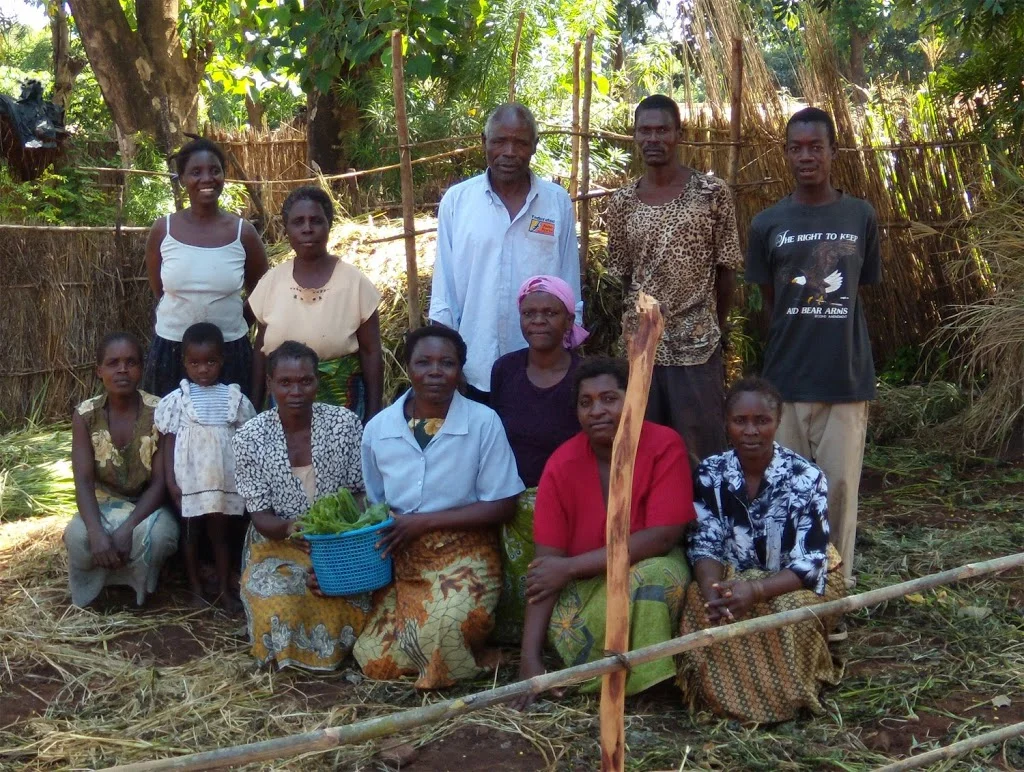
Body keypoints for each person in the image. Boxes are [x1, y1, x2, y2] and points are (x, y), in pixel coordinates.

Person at [746, 106, 881, 585]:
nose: (806, 157)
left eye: (815, 147)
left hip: (845, 379)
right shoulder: (767, 223)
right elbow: (771, 301)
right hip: (785, 383)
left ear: (832, 152)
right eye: (796, 148)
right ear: (785, 154)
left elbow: (858, 290)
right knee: (786, 497)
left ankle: (834, 603)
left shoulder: (860, 215)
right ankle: (792, 605)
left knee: (839, 496)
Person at [514, 357, 695, 709]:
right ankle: (609, 679)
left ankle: (648, 688)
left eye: (609, 398)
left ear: (633, 400)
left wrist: (568, 567)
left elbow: (662, 538)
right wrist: (529, 659)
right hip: (586, 588)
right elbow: (546, 570)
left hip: (647, 569)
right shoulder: (561, 465)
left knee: (654, 575)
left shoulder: (664, 446)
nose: (597, 410)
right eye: (586, 402)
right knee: (570, 622)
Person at [354, 326, 525, 689]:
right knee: (375, 658)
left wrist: (425, 522)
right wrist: (406, 529)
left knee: (444, 629)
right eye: (424, 362)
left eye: (447, 363)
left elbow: (503, 504)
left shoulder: (483, 422)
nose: (435, 371)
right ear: (407, 367)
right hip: (403, 552)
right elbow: (374, 501)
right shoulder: (379, 429)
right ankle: (458, 656)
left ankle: (473, 657)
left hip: (467, 551)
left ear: (460, 369)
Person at [677, 377, 845, 723]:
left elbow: (810, 562)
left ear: (777, 422)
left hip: (793, 580)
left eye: (762, 421)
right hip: (732, 577)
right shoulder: (711, 473)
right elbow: (703, 542)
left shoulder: (806, 477)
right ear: (727, 424)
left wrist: (755, 590)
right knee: (697, 602)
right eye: (740, 421)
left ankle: (787, 700)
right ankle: (720, 700)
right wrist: (715, 591)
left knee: (788, 611)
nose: (750, 431)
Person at [604, 95, 743, 471]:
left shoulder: (711, 195)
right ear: (634, 136)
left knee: (701, 453)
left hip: (696, 347)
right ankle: (653, 527)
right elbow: (622, 275)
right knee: (644, 451)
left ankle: (707, 528)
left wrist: (712, 323)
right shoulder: (622, 203)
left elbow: (726, 270)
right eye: (644, 130)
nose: (653, 138)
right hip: (640, 349)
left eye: (662, 130)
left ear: (678, 134)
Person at [428, 103, 581, 404]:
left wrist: (566, 360)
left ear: (534, 146)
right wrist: (448, 362)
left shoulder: (556, 203)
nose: (509, 152)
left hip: (540, 371)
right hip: (473, 368)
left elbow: (569, 289)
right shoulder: (458, 202)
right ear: (483, 142)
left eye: (520, 142)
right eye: (499, 141)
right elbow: (444, 294)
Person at [231, 340, 369, 671]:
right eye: (285, 382)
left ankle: (336, 658)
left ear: (317, 381)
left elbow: (360, 496)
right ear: (270, 384)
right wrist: (292, 529)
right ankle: (287, 661)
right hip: (274, 544)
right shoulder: (250, 438)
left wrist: (336, 547)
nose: (296, 391)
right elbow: (260, 515)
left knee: (336, 598)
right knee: (279, 606)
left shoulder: (344, 425)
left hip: (339, 543)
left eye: (305, 381)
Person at [489, 275, 587, 642]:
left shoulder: (583, 375)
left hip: (569, 500)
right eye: (530, 313)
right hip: (513, 499)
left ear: (568, 320)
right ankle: (517, 636)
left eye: (550, 312)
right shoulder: (506, 370)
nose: (539, 320)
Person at [142, 137, 269, 399]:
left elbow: (261, 291)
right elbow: (160, 290)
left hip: (228, 353)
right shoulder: (163, 230)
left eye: (215, 170)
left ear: (224, 175)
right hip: (171, 350)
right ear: (181, 179)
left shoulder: (242, 233)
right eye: (196, 172)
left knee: (228, 430)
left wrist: (234, 322)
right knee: (172, 433)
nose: (207, 179)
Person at [64, 332, 179, 608]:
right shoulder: (86, 414)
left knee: (158, 537)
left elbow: (161, 483)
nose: (122, 369)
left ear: (141, 368)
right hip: (104, 504)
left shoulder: (160, 411)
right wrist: (95, 530)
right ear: (99, 371)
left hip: (147, 506)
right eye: (113, 363)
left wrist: (128, 528)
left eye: (131, 362)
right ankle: (96, 591)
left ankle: (139, 590)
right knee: (77, 537)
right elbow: (83, 480)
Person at [249, 185, 383, 417]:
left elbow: (372, 353)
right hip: (282, 406)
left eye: (316, 221)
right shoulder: (271, 281)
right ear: (287, 229)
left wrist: (373, 415)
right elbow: (261, 350)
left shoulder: (354, 282)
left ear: (329, 225)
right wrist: (254, 408)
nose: (307, 229)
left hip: (342, 404)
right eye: (298, 222)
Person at [154, 323, 256, 610]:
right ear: (184, 363)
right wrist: (172, 483)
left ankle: (224, 589)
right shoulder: (177, 400)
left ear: (222, 361)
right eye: (195, 363)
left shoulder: (234, 398)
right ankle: (196, 589)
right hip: (189, 482)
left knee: (220, 536)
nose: (203, 369)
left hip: (223, 482)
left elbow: (246, 440)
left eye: (210, 362)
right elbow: (168, 443)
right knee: (191, 534)